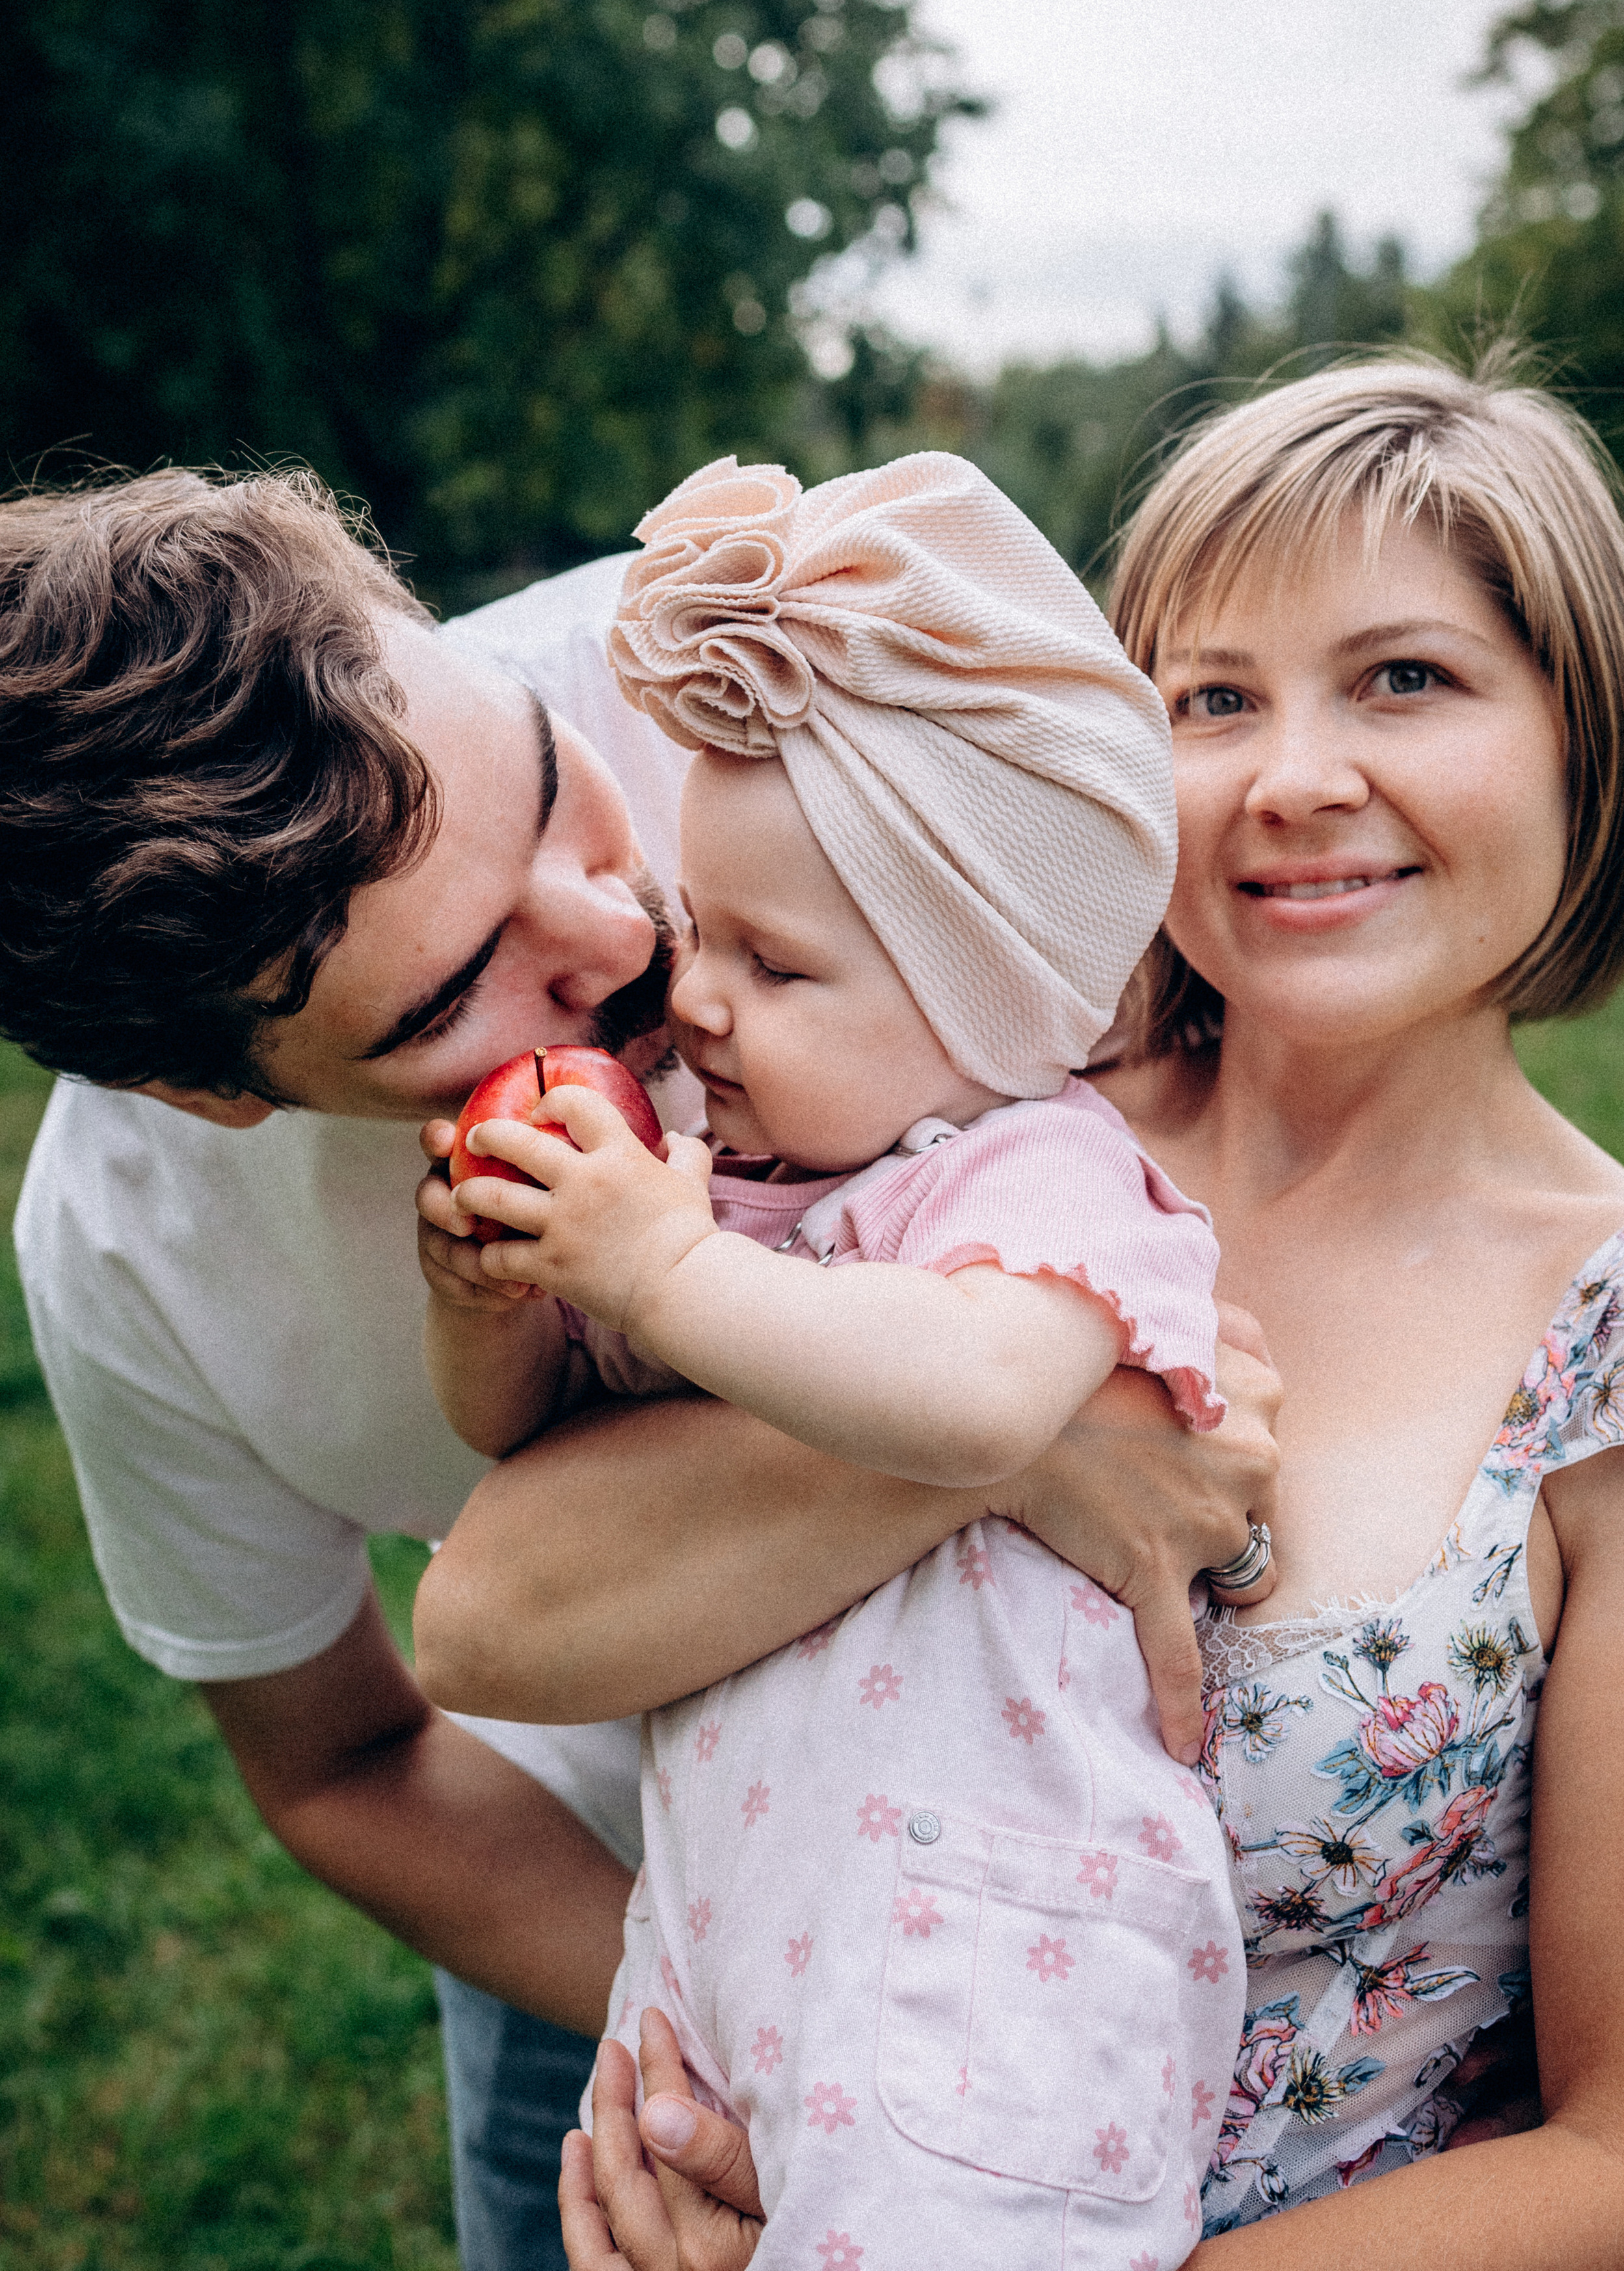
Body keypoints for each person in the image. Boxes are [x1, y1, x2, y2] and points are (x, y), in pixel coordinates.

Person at [408, 354, 1624, 2271]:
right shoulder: (930, 1124)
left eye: (1407, 678)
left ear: (1590, 742)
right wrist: (1027, 1447)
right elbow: (493, 1621)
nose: (1295, 776)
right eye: (1213, 698)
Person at [1, 468, 1279, 2269]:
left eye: (547, 789)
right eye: (453, 999)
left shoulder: (739, 682)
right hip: (632, 1874)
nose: (625, 941)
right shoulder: (132, 1257)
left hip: (1069, 1840)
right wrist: (704, 2029)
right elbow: (343, 1760)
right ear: (214, 1089)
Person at [421, 453, 1249, 2267]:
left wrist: (651, 1263)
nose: (695, 996)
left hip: (992, 1965)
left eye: (777, 968)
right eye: (704, 930)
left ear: (995, 1008)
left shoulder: (1042, 1175)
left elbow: (974, 1400)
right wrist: (496, 1307)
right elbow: (526, 1444)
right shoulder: (743, 1195)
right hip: (729, 1928)